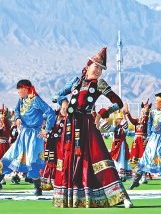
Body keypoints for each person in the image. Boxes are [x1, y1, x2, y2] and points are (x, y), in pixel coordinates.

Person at [51, 47, 133, 208]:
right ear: (88, 66)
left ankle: (122, 197)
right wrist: (64, 101)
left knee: (99, 157)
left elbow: (118, 103)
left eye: (101, 69)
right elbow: (55, 95)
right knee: (70, 159)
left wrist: (102, 114)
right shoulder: (75, 82)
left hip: (88, 124)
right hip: (71, 125)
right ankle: (73, 197)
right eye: (96, 67)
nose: (98, 71)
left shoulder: (100, 84)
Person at [0, 79, 55, 196]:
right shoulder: (21, 99)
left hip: (34, 135)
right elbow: (16, 110)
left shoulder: (36, 100)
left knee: (32, 161)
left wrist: (46, 129)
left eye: (19, 90)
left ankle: (38, 189)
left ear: (25, 89)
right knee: (9, 157)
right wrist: (17, 118)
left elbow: (50, 112)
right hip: (23, 134)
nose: (18, 93)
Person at [128, 92, 161, 191]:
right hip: (153, 139)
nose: (155, 103)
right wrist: (149, 136)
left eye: (157, 101)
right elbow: (149, 125)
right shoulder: (153, 112)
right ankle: (135, 182)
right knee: (146, 158)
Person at [123, 99, 152, 184]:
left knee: (143, 158)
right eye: (143, 112)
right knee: (137, 159)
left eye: (145, 112)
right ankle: (139, 176)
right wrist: (127, 111)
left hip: (143, 141)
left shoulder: (148, 121)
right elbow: (131, 120)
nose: (143, 114)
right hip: (136, 141)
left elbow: (149, 123)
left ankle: (143, 176)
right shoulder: (137, 121)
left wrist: (148, 115)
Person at [40, 109, 66, 190]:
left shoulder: (66, 120)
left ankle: (58, 181)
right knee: (49, 162)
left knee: (59, 162)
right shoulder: (51, 121)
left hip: (60, 145)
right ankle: (47, 182)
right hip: (51, 144)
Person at [109, 111, 132, 182]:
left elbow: (125, 125)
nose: (120, 120)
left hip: (122, 145)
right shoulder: (115, 127)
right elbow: (108, 128)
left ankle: (122, 175)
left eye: (121, 119)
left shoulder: (125, 128)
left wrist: (124, 116)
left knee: (122, 158)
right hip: (115, 145)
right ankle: (116, 174)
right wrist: (105, 116)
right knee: (116, 159)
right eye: (119, 119)